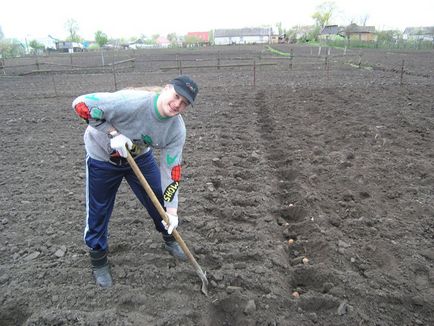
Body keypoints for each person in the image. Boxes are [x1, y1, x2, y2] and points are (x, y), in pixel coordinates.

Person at [72, 75, 199, 288]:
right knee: (98, 209)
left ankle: (169, 239)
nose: (178, 104)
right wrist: (113, 133)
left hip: (138, 157)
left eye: (184, 103)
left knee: (158, 200)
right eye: (176, 96)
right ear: (166, 88)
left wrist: (172, 210)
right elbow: (80, 103)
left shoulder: (176, 130)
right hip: (103, 157)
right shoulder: (130, 102)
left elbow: (172, 170)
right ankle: (98, 258)